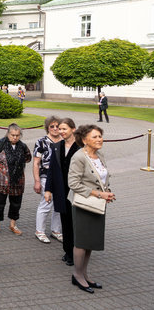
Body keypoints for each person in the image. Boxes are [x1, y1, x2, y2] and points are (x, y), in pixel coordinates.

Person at [67, 124, 115, 294]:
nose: (99, 139)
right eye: (94, 137)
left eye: (100, 136)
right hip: (83, 205)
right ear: (84, 140)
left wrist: (106, 192)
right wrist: (98, 194)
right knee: (81, 242)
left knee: (90, 242)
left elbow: (101, 178)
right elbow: (73, 183)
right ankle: (77, 275)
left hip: (97, 204)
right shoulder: (79, 157)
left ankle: (84, 274)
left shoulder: (99, 155)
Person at [0, 124, 32, 236]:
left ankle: (13, 224)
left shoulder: (22, 146)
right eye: (12, 135)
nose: (14, 137)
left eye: (17, 135)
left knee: (16, 204)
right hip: (1, 181)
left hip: (18, 181)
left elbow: (28, 158)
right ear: (8, 133)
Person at [45, 118, 80, 267]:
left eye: (64, 129)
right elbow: (52, 169)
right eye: (60, 129)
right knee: (65, 222)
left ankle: (76, 252)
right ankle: (68, 251)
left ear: (73, 129)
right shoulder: (56, 146)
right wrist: (48, 189)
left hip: (76, 190)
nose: (61, 132)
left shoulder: (81, 146)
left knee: (75, 222)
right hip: (61, 190)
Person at [32, 116, 63, 243]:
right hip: (46, 176)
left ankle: (56, 230)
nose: (55, 129)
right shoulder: (41, 142)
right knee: (46, 203)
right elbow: (36, 163)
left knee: (59, 205)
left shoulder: (65, 141)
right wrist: (37, 181)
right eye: (52, 126)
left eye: (58, 126)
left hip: (62, 177)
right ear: (47, 128)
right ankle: (40, 231)